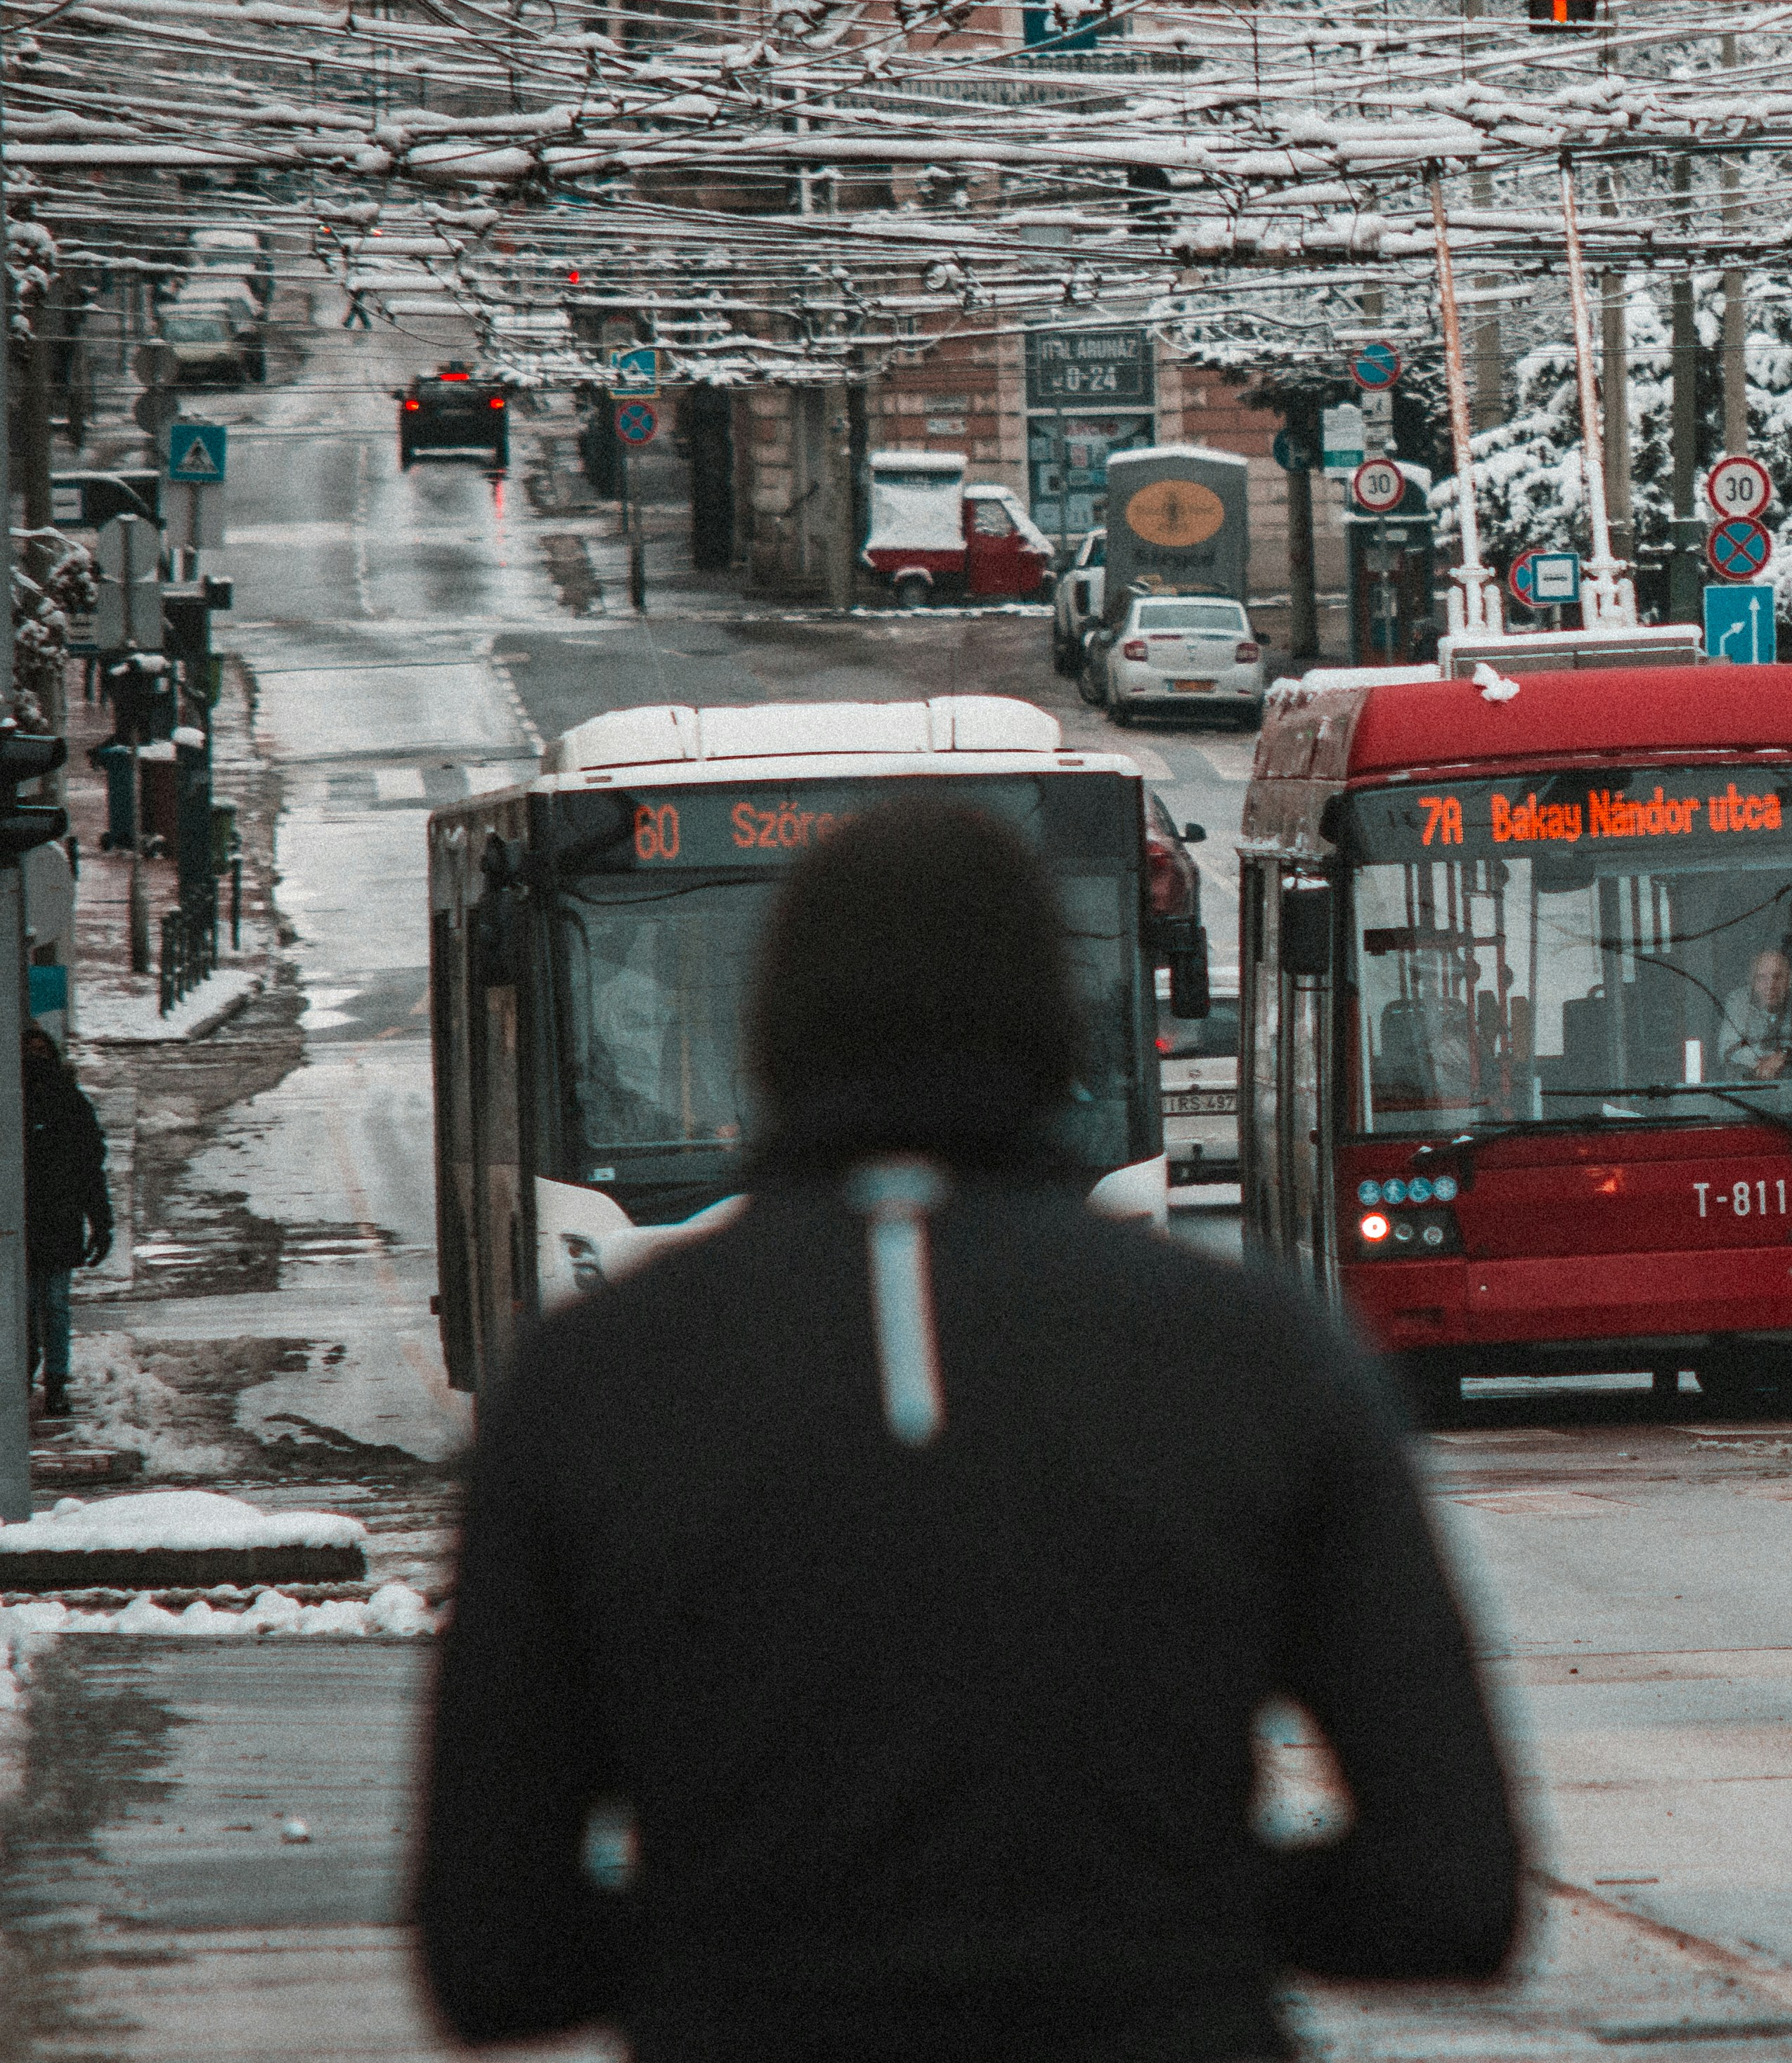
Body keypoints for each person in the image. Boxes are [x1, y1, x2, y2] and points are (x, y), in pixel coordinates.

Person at [415, 798, 1522, 2063]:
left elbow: (488, 1949)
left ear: (771, 1032)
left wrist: (747, 1941)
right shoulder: (1254, 1358)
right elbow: (1450, 1889)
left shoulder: (593, 1383)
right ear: (1061, 1023)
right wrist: (1167, 1917)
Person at [23, 1024, 110, 1421]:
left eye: (42, 1052)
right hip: (32, 1224)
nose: (35, 1061)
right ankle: (33, 1376)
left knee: (49, 1305)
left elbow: (90, 1168)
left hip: (52, 1221)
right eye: (29, 1053)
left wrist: (101, 1223)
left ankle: (52, 1381)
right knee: (34, 1307)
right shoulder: (19, 1101)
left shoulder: (69, 1102)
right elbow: (92, 1168)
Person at [1716, 946, 1792, 1082]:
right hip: (1747, 1090)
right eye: (1762, 978)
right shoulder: (1738, 1001)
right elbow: (1726, 1049)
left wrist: (1786, 1054)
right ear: (1752, 982)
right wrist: (1761, 1062)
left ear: (1790, 979)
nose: (1770, 985)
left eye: (1777, 977)